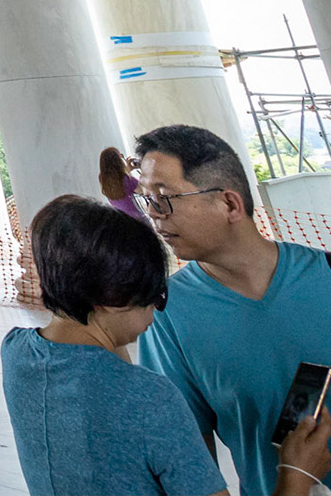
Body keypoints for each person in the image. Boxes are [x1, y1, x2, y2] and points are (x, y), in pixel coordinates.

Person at [4, 196, 330, 495]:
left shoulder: (15, 352)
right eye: (157, 296)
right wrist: (296, 473)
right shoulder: (151, 399)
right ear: (112, 299)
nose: (158, 311)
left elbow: (92, 358)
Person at [134, 124, 331, 496]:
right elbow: (189, 462)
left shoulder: (326, 275)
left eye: (164, 197)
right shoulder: (167, 314)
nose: (154, 215)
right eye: (147, 200)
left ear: (229, 203)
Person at [100, 146, 150, 223]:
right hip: (138, 220)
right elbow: (145, 190)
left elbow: (119, 180)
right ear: (118, 162)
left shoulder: (104, 181)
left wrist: (127, 170)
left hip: (123, 220)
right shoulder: (127, 180)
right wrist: (143, 170)